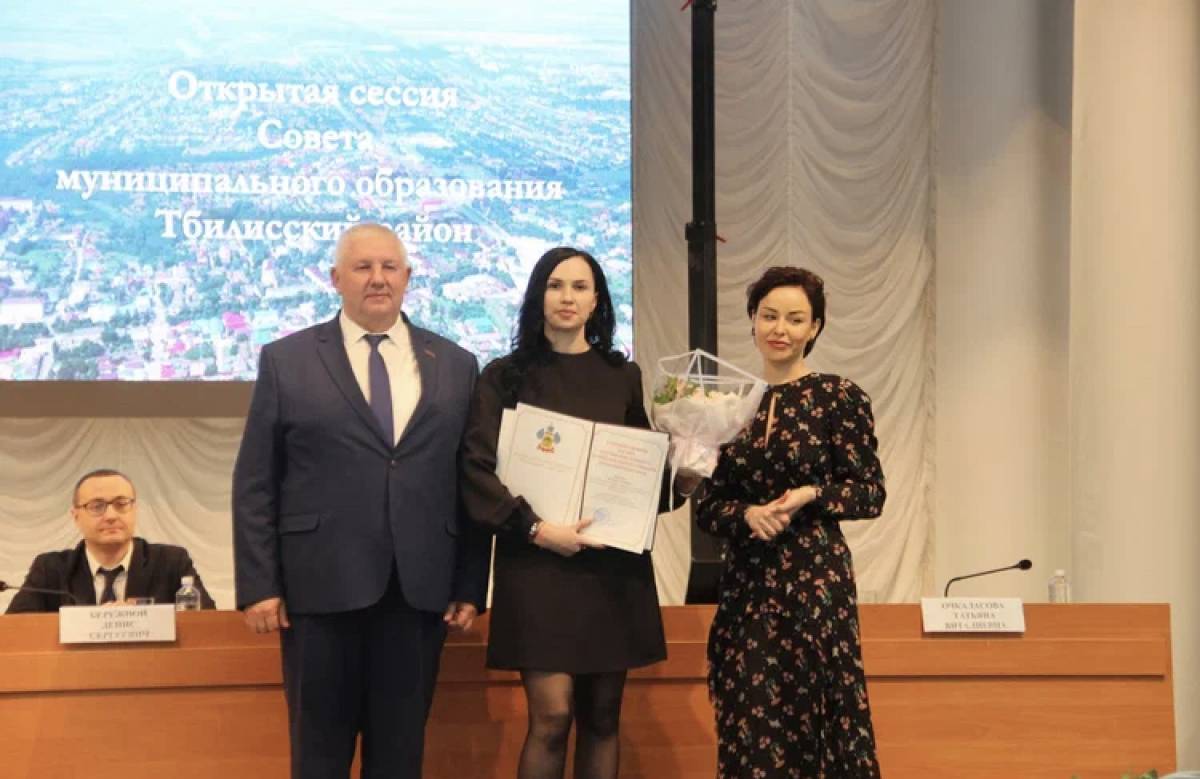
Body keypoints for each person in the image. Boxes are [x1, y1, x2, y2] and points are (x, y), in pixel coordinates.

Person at [232, 223, 490, 779]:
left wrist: (471, 583)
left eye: (389, 267)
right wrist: (259, 585)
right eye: (363, 267)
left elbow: (470, 480)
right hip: (318, 591)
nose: (378, 279)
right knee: (319, 759)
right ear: (335, 279)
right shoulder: (286, 360)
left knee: (400, 759)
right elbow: (255, 480)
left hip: (417, 594)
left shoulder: (456, 363)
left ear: (408, 277)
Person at [461, 247, 668, 779]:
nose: (567, 297)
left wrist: (685, 473)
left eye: (580, 287)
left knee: (602, 717)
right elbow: (475, 470)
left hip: (610, 568)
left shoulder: (622, 375)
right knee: (551, 717)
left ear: (597, 300)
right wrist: (535, 529)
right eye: (555, 285)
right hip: (537, 564)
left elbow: (643, 479)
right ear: (538, 295)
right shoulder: (504, 376)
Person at [696, 266, 886, 778]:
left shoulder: (838, 395)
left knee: (818, 719)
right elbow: (709, 506)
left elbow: (870, 492)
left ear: (815, 327)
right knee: (749, 719)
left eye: (795, 319)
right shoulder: (730, 405)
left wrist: (811, 495)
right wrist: (746, 514)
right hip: (748, 586)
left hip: (815, 584)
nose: (780, 329)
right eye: (769, 316)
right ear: (753, 320)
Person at [5, 468, 216, 613]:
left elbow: (206, 626)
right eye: (97, 506)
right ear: (76, 516)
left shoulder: (171, 563)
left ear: (134, 510)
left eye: (121, 504)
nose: (111, 516)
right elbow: (16, 632)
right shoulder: (50, 569)